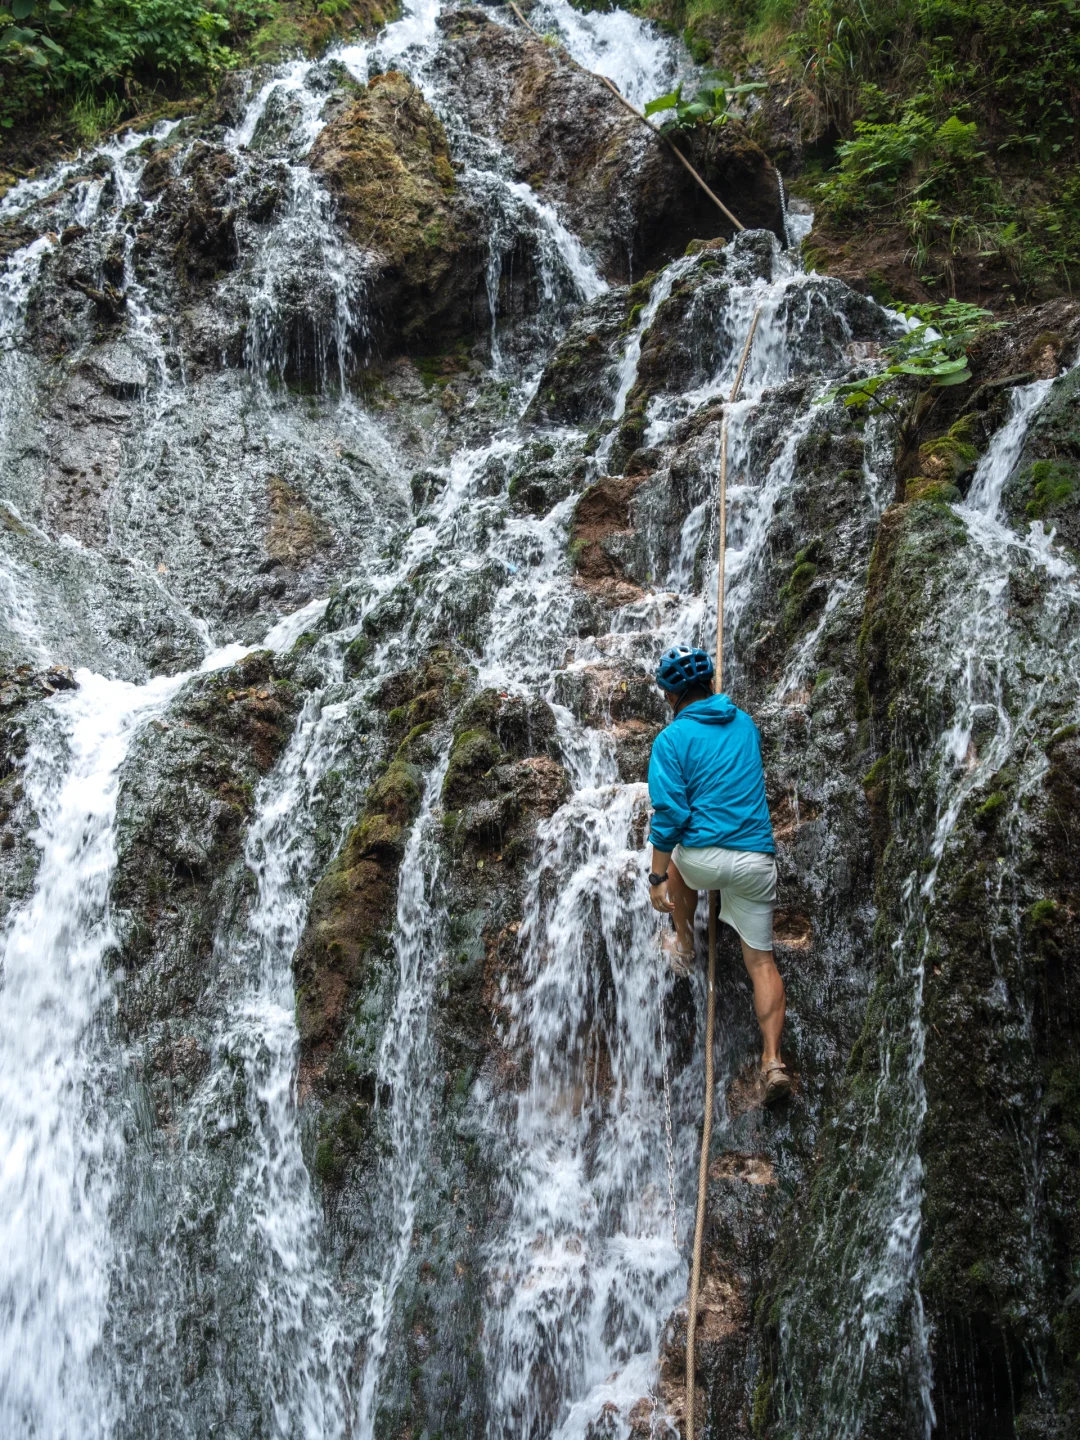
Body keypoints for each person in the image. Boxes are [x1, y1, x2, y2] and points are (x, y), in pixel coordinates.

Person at [646, 644, 792, 1105]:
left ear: (671, 697)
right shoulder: (746, 724)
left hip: (703, 860)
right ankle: (773, 1062)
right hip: (755, 860)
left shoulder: (669, 741)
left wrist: (655, 877)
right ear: (710, 683)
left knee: (674, 863)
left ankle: (685, 945)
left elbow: (669, 814)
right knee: (762, 962)